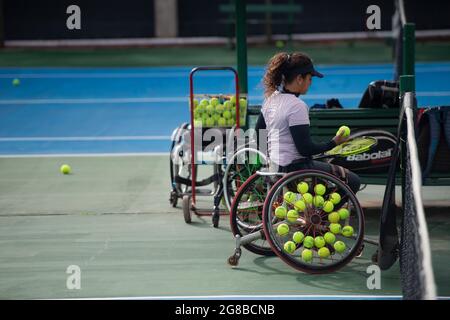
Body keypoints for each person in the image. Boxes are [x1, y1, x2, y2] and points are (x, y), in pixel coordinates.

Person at [255, 52, 360, 194]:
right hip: (296, 170)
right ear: (299, 78)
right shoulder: (297, 106)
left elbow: (259, 131)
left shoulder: (270, 99)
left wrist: (268, 159)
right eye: (310, 78)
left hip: (275, 168)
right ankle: (320, 214)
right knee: (353, 181)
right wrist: (334, 142)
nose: (310, 83)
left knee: (324, 165)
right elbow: (305, 149)